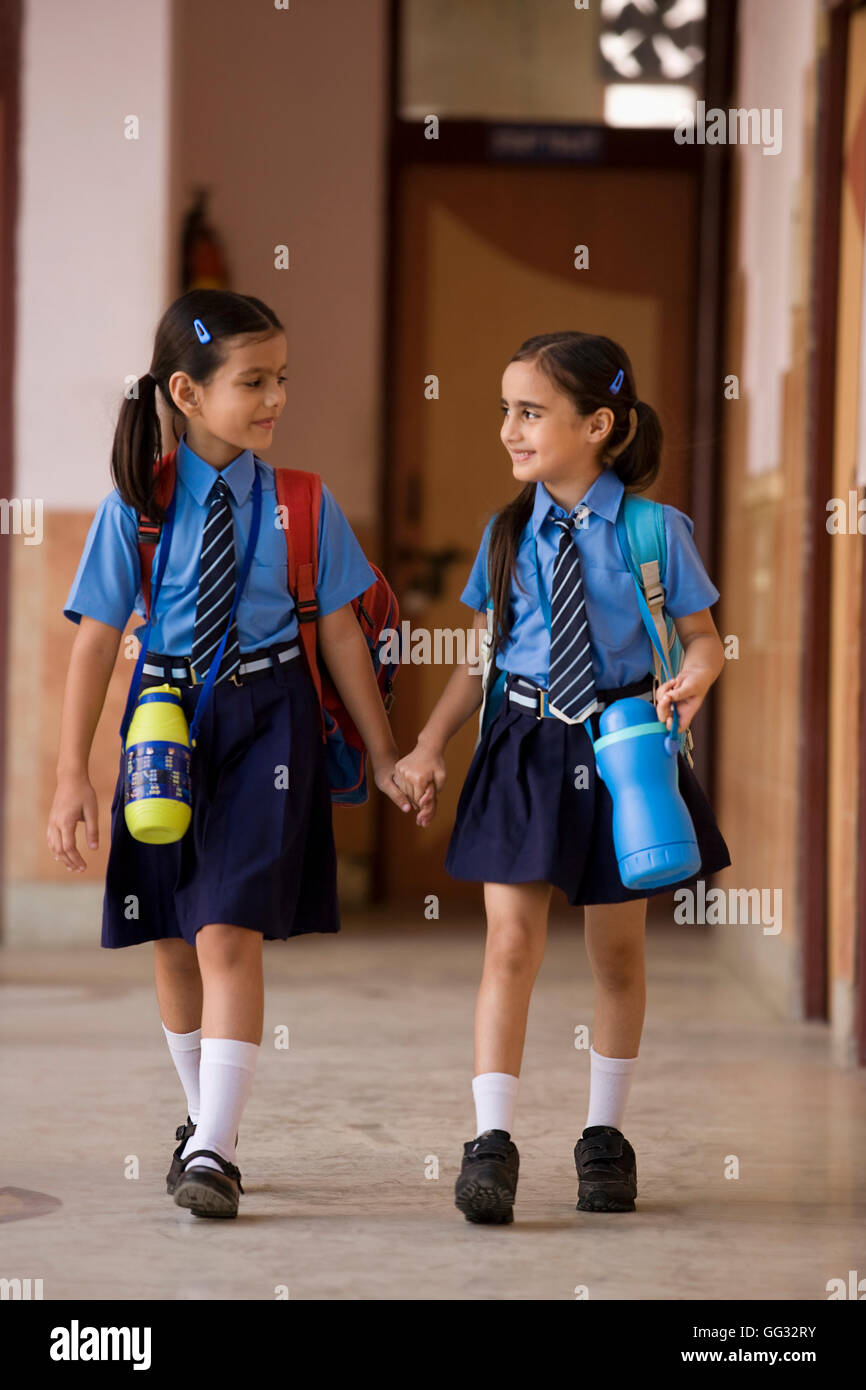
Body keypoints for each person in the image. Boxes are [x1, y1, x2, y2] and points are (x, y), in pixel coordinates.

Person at [47, 289, 413, 1219]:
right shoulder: (138, 507)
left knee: (228, 925)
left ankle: (213, 1149)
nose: (274, 399)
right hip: (162, 721)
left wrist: (383, 752)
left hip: (269, 720)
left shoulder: (303, 503)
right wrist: (70, 779)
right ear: (188, 389)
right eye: (253, 381)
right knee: (169, 930)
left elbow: (337, 635)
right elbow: (94, 642)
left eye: (282, 379)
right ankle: (205, 1115)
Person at [394, 331, 731, 1224]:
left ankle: (603, 1138)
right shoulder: (507, 533)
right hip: (524, 738)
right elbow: (481, 658)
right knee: (509, 943)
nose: (509, 428)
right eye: (505, 409)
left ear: (600, 426)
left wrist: (698, 673)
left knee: (617, 952)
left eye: (531, 411)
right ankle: (491, 1141)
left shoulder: (658, 530)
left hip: (625, 748)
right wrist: (429, 744)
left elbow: (702, 635)